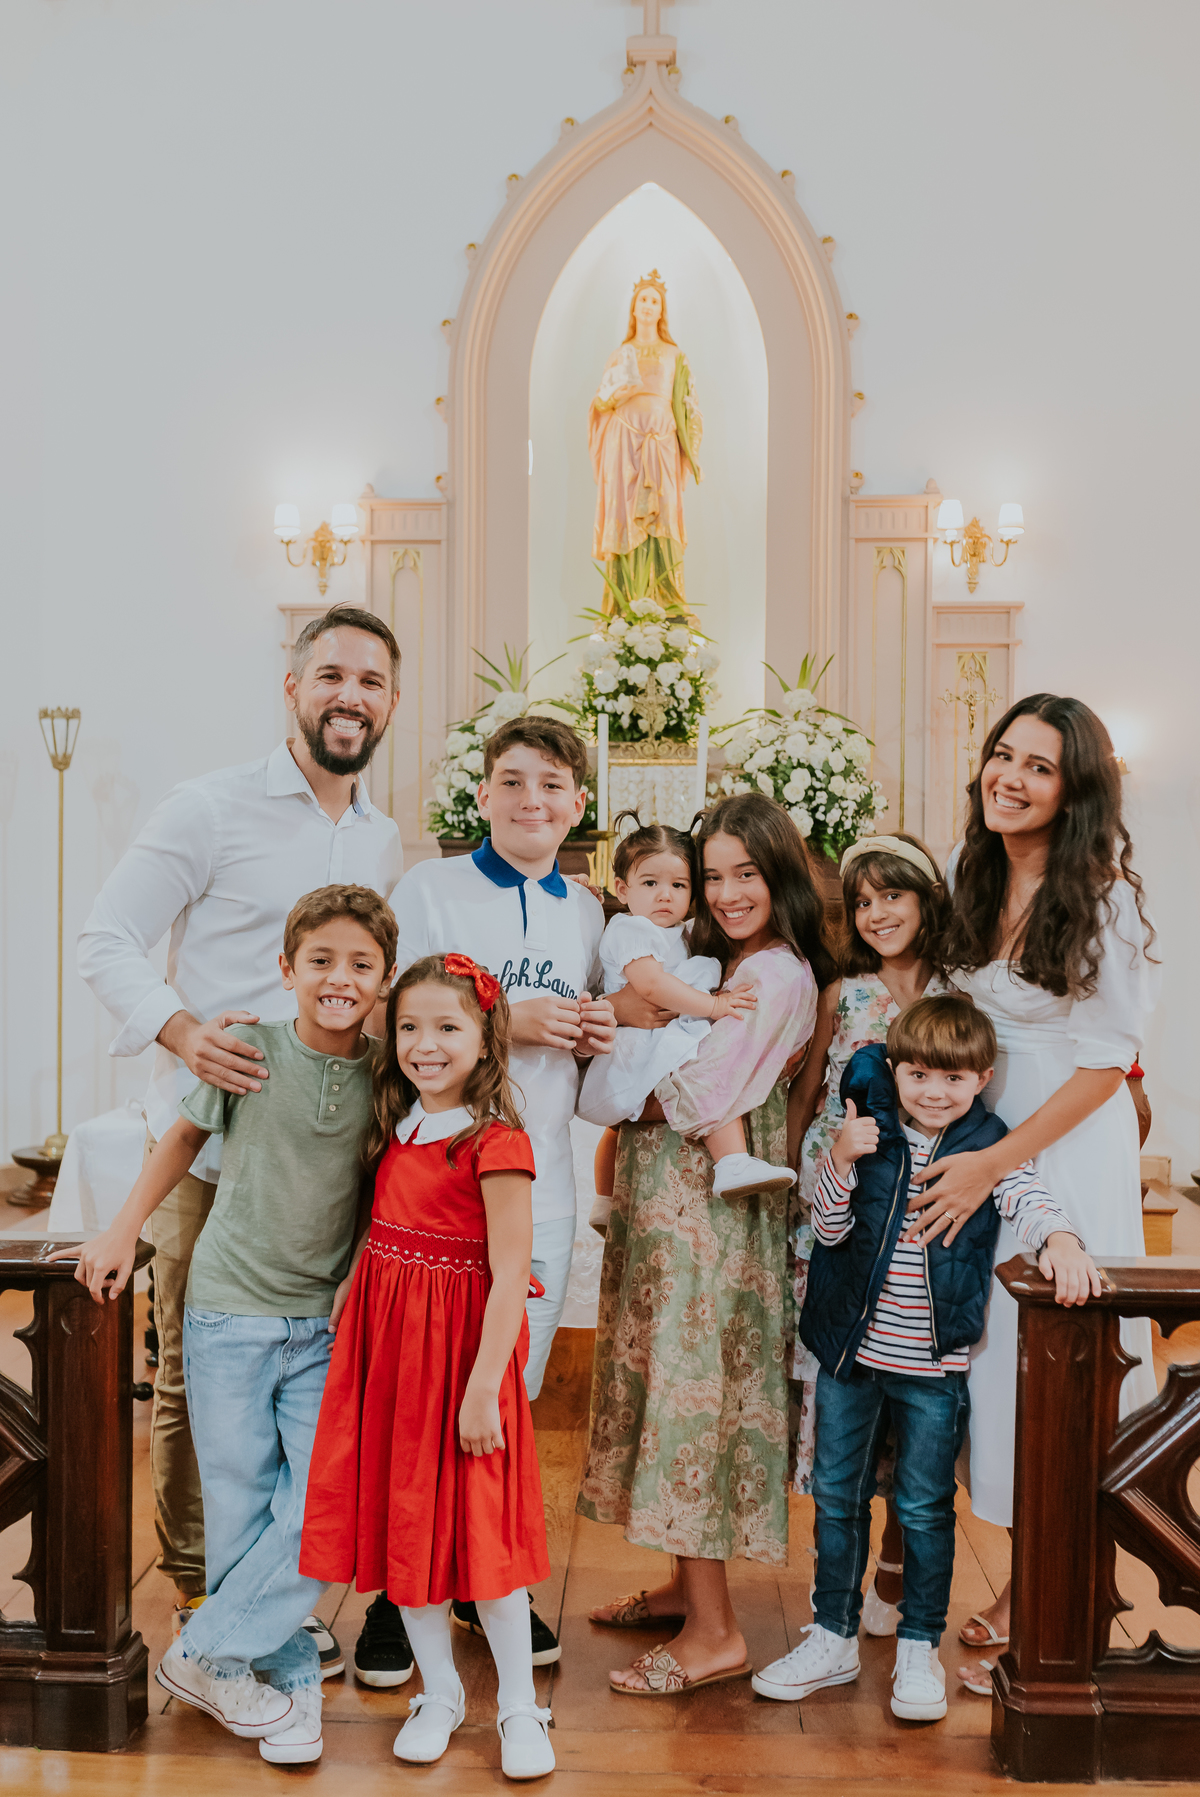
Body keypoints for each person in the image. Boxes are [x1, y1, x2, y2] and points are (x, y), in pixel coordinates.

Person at [76, 604, 402, 1673]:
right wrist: (179, 1031)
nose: (349, 695)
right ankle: (203, 1589)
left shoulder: (382, 835)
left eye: (371, 680)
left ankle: (265, 1594)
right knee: (195, 1387)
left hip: (320, 1158)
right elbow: (106, 937)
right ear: (293, 687)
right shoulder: (208, 808)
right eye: (331, 675)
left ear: (391, 703)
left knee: (307, 1385)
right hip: (209, 1141)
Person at [54, 884, 399, 1765]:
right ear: (287, 969)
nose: (339, 977)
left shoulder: (389, 1075)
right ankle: (281, 1686)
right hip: (227, 1313)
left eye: (361, 964)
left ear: (385, 978)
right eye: (320, 960)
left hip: (320, 1322)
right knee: (243, 1514)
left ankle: (202, 1654)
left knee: (326, 1505)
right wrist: (122, 1227)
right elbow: (176, 1141)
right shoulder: (249, 1048)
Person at [899, 696, 1158, 1678]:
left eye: (1038, 767)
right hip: (977, 1141)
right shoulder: (973, 875)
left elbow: (1105, 1066)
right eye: (1002, 756)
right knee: (987, 1366)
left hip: (1059, 1150)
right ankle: (1035, 1573)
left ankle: (1050, 1586)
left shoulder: (1106, 897)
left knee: (1046, 1367)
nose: (1009, 776)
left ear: (1076, 788)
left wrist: (996, 1163)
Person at [753, 995, 1099, 1721]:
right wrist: (841, 1161)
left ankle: (918, 1643)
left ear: (981, 1078)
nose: (934, 1092)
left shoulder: (990, 1146)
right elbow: (828, 1226)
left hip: (932, 1371)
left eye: (954, 1078)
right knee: (838, 1497)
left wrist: (1061, 1242)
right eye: (918, 1075)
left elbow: (1029, 1199)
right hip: (851, 1357)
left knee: (923, 1506)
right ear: (896, 1072)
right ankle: (832, 1633)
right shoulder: (867, 1133)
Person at [579, 793, 834, 1694]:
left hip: (712, 1217)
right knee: (661, 1379)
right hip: (665, 1206)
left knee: (698, 1395)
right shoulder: (715, 963)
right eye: (711, 875)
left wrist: (609, 1094)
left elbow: (702, 1087)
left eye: (745, 874)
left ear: (782, 875)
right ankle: (688, 1588)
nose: (725, 893)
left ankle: (718, 1631)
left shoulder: (780, 973)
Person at [390, 712, 616, 1663]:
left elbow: (593, 1044)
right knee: (429, 1388)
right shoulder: (431, 886)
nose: (533, 799)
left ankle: (490, 1585)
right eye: (514, 781)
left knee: (507, 1397)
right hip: (441, 1180)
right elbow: (393, 1019)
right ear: (482, 794)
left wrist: (599, 1029)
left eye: (553, 784)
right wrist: (500, 1016)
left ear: (578, 803)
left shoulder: (588, 908)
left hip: (544, 1178)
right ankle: (402, 1593)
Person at [299, 954, 555, 1781]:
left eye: (447, 1026)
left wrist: (485, 1387)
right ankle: (438, 1690)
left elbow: (512, 1270)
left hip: (465, 1365)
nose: (425, 1043)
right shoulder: (399, 1124)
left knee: (483, 1537)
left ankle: (519, 1702)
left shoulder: (496, 1141)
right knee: (405, 1522)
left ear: (486, 1040)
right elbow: (385, 1227)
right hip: (394, 1366)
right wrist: (353, 1280)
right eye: (409, 1026)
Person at [786, 832, 951, 1631]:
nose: (879, 912)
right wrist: (792, 1178)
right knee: (846, 1375)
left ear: (927, 897)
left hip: (922, 1209)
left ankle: (896, 1553)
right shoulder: (843, 990)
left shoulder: (959, 990)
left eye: (895, 894)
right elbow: (809, 1088)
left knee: (913, 1377)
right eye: (865, 900)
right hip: (840, 1208)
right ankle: (836, 1585)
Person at [578, 810, 795, 1216]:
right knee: (700, 1074)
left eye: (678, 885)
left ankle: (610, 1201)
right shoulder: (630, 929)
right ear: (622, 889)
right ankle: (729, 1163)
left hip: (659, 1033)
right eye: (651, 883)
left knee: (701, 1072)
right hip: (636, 1045)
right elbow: (651, 986)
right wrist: (715, 1006)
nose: (665, 895)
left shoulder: (682, 931)